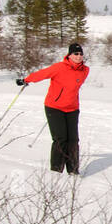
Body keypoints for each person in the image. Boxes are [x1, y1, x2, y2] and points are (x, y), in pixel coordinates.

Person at [19, 43, 89, 175]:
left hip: (72, 108)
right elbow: (42, 74)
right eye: (75, 54)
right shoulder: (59, 67)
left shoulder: (85, 70)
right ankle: (56, 171)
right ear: (69, 55)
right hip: (54, 107)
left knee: (73, 140)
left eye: (80, 54)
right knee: (60, 139)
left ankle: (73, 171)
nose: (78, 56)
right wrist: (26, 80)